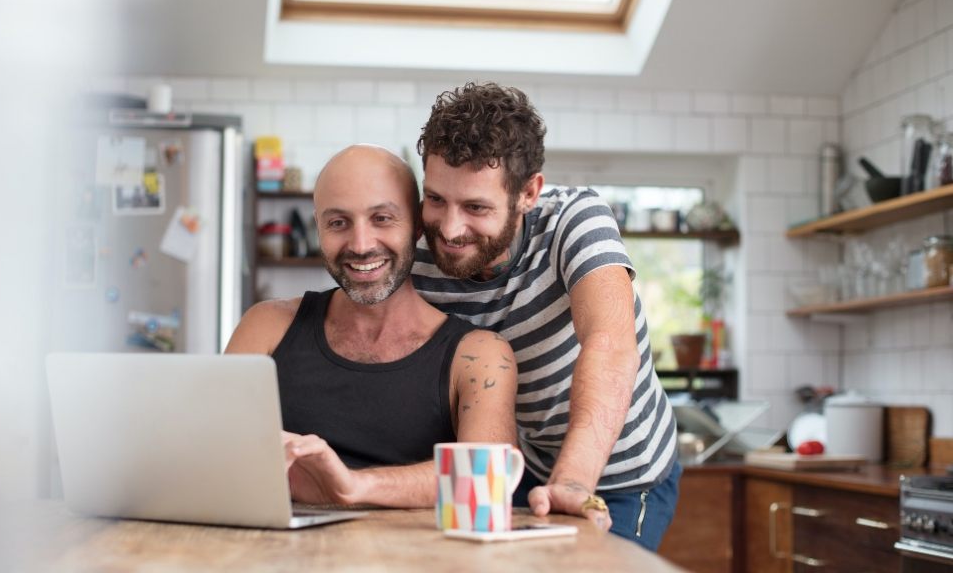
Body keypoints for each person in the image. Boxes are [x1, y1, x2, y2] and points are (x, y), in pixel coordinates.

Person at [412, 83, 680, 550]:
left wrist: (574, 481)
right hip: (527, 465)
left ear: (528, 192)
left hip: (623, 471)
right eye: (436, 199)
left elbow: (610, 345)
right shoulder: (420, 250)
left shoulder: (575, 220)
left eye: (476, 207)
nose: (450, 230)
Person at [226, 144, 518, 508]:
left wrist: (351, 485)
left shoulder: (479, 356)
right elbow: (212, 452)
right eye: (337, 223)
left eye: (382, 218)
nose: (361, 245)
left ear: (417, 227)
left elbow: (488, 484)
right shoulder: (267, 326)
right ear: (318, 228)